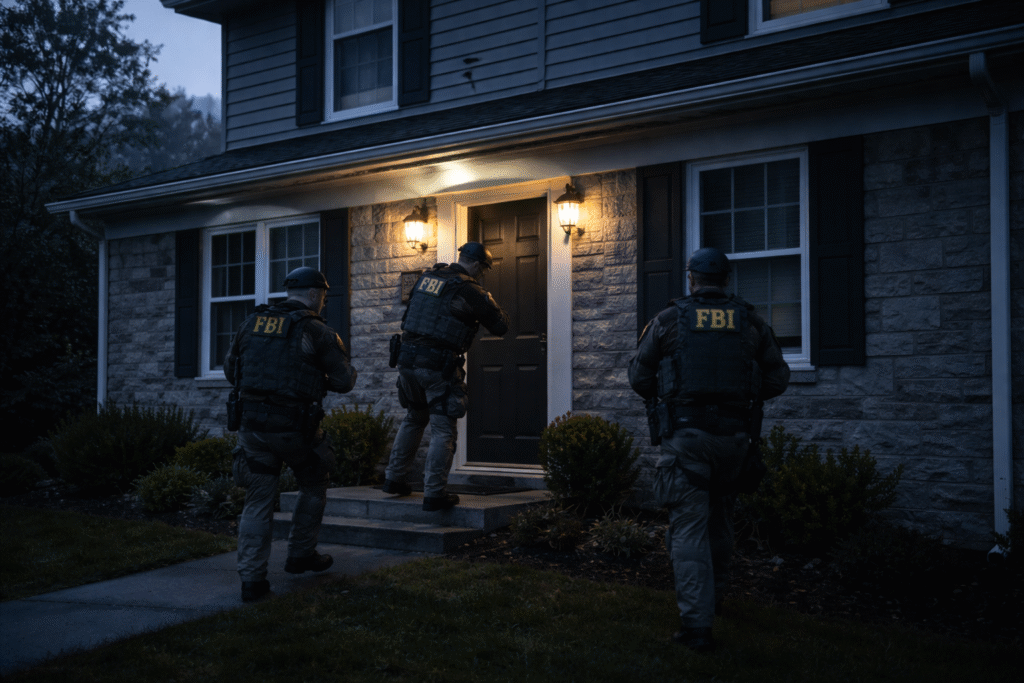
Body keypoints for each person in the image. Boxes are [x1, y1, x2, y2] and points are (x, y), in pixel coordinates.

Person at [628, 247, 790, 652]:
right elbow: (777, 377)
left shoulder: (668, 321)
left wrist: (672, 393)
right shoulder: (750, 321)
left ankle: (697, 626)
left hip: (687, 441)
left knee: (688, 529)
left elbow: (638, 376)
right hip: (735, 441)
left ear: (691, 279)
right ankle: (715, 600)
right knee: (720, 522)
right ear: (727, 280)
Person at [224, 266, 357, 603]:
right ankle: (300, 554)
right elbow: (343, 382)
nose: (324, 302)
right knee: (314, 481)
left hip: (252, 427)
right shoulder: (317, 331)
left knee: (257, 501)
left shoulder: (250, 323)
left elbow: (231, 370)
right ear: (314, 294)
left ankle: (252, 580)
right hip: (294, 428)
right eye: (323, 295)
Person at [382, 242, 510, 511]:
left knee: (415, 417)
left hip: (406, 360)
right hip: (436, 365)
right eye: (484, 269)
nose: (483, 274)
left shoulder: (427, 278)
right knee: (443, 428)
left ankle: (394, 479)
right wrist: (486, 300)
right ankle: (435, 493)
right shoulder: (469, 289)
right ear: (476, 264)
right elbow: (500, 326)